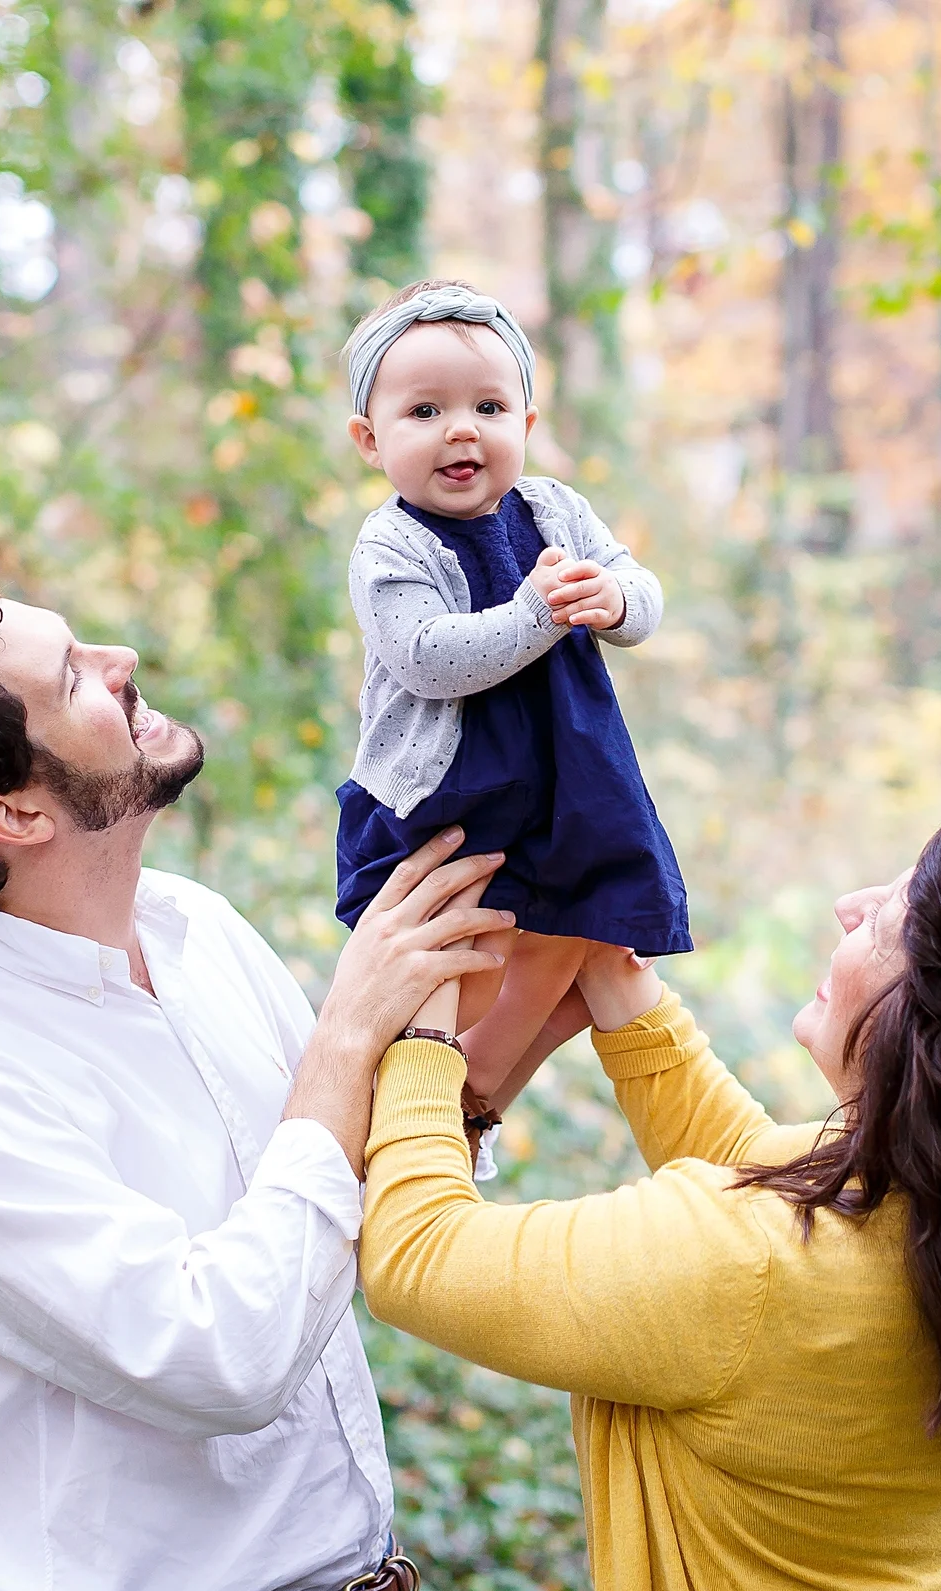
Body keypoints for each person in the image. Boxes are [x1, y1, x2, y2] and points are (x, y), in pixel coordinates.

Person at [0, 570, 517, 1591]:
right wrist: (347, 1032)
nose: (122, 660)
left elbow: (345, 1190)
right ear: (17, 813)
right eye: (73, 676)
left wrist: (535, 991)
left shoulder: (194, 927)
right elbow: (224, 1356)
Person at [358, 804, 941, 1591]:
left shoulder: (749, 1264)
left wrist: (426, 1027)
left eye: (886, 921)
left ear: (933, 1030)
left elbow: (418, 1253)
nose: (848, 906)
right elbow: (762, 1175)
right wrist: (626, 998)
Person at [334, 278, 690, 1168]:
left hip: (568, 772)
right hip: (453, 789)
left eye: (489, 408)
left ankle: (477, 1097)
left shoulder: (555, 510)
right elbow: (427, 656)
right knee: (463, 951)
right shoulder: (392, 545)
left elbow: (640, 588)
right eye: (426, 411)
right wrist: (535, 614)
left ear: (526, 424)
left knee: (576, 934)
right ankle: (411, 1115)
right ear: (371, 439)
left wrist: (616, 602)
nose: (462, 430)